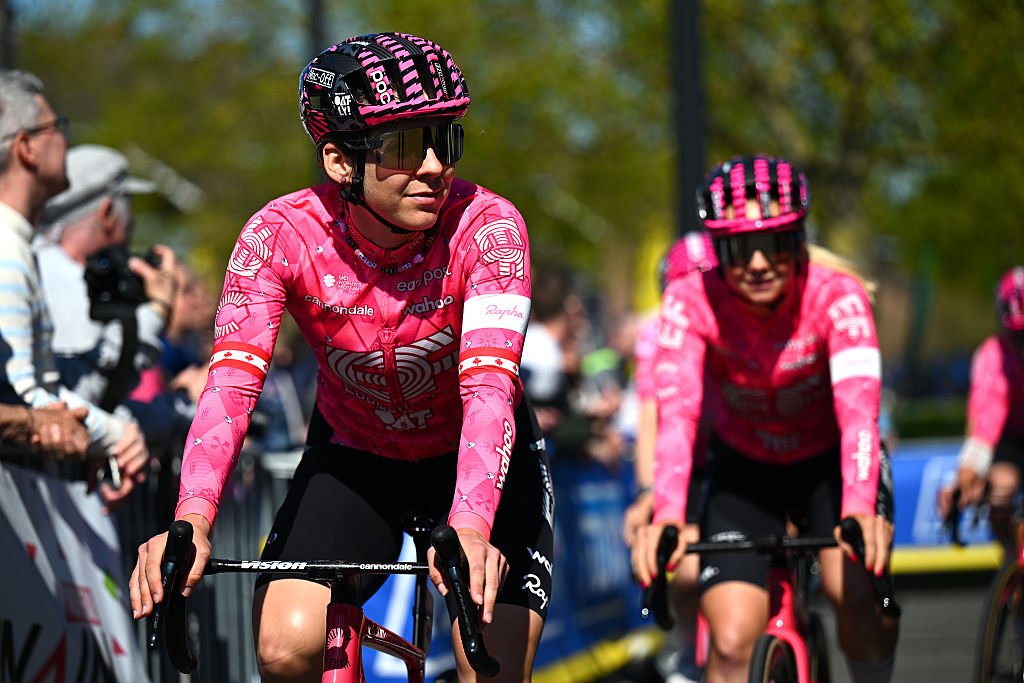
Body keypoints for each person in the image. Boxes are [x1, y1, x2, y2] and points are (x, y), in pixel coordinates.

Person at [130, 32, 554, 682]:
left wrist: (471, 525)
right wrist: (191, 519)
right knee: (285, 646)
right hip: (356, 458)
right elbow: (231, 386)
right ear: (338, 161)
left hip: (478, 459)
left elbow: (490, 388)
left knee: (488, 665)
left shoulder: (489, 227)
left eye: (446, 139)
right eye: (407, 148)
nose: (436, 166)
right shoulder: (278, 235)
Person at [631, 154, 899, 683]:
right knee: (730, 645)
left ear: (798, 241)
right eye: (737, 248)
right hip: (746, 470)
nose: (756, 263)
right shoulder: (690, 301)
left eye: (772, 243)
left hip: (832, 466)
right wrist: (666, 512)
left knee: (856, 599)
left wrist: (861, 506)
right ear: (717, 250)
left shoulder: (836, 296)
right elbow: (677, 417)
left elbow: (859, 413)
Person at [0, 69, 148, 504]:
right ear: (27, 147)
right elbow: (24, 394)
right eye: (55, 128)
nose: (65, 140)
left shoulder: (16, 245)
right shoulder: (6, 250)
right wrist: (117, 434)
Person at [35, 143, 179, 412]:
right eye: (130, 225)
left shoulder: (36, 263)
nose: (129, 235)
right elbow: (89, 400)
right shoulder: (67, 283)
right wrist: (157, 309)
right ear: (108, 214)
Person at [939, 266, 1024, 559]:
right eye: (1018, 338)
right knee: (999, 491)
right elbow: (984, 427)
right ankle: (1014, 565)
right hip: (1012, 440)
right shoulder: (992, 356)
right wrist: (966, 477)